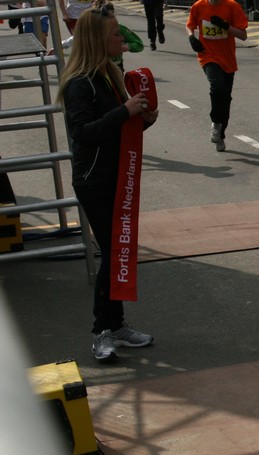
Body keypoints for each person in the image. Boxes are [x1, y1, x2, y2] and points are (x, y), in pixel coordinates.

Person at [58, 6, 158, 362]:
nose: (122, 38)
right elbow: (83, 133)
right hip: (94, 180)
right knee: (114, 252)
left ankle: (115, 325)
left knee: (120, 252)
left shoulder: (110, 74)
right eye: (116, 33)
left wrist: (143, 118)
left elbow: (118, 129)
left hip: (116, 174)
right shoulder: (79, 83)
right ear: (99, 40)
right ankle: (103, 330)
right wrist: (124, 110)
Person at [186, 0, 248, 153]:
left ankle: (220, 133)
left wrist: (225, 26)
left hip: (227, 59)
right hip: (207, 56)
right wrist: (192, 38)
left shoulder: (232, 6)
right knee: (217, 86)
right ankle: (215, 122)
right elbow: (189, 25)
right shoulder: (198, 6)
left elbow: (243, 36)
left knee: (225, 99)